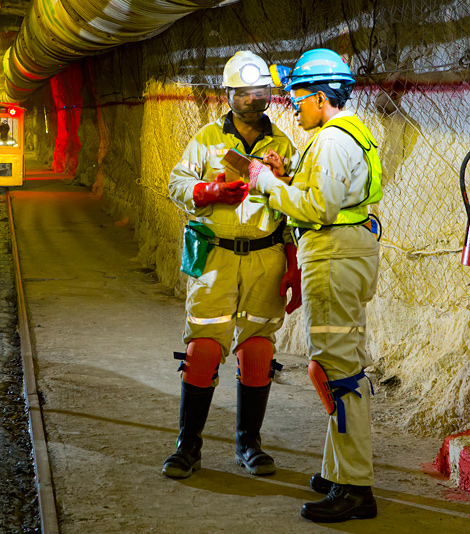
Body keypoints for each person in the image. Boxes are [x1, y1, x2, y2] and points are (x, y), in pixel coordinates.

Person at [247, 48, 383, 522]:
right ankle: (338, 470)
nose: (293, 104)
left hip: (333, 254)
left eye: (299, 96)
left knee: (337, 374)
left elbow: (317, 210)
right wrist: (288, 177)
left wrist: (265, 182)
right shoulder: (348, 134)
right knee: (337, 366)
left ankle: (354, 488)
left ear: (322, 97)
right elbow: (324, 194)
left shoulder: (329, 141)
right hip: (347, 251)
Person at [164, 51, 299, 480]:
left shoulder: (283, 145)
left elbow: (296, 202)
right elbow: (176, 183)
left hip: (266, 256)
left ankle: (249, 445)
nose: (254, 100)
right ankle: (188, 447)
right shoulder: (206, 138)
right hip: (216, 256)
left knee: (258, 349)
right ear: (229, 95)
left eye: (261, 92)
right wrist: (207, 192)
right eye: (245, 93)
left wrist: (284, 180)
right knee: (203, 349)